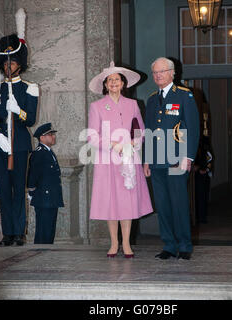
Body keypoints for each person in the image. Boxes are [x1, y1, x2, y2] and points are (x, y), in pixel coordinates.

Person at [87, 61, 153, 258]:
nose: (113, 83)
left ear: (123, 83)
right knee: (111, 202)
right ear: (105, 85)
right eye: (110, 80)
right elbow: (92, 136)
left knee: (126, 202)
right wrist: (112, 144)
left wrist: (134, 143)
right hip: (107, 160)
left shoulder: (133, 104)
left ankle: (126, 243)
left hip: (128, 160)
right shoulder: (97, 106)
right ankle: (114, 243)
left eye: (117, 79)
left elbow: (141, 131)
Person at [0, 9, 39, 247]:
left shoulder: (30, 88)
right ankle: (7, 232)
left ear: (20, 64)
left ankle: (19, 231)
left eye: (13, 61)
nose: (8, 66)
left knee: (19, 190)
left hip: (19, 146)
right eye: (5, 62)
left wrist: (18, 110)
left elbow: (30, 120)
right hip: (0, 147)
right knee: (4, 190)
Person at [143, 57, 200, 260]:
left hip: (177, 159)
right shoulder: (151, 100)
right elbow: (149, 131)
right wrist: (147, 160)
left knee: (179, 203)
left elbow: (193, 129)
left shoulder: (184, 96)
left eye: (162, 71)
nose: (158, 75)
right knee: (163, 204)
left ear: (172, 73)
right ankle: (168, 244)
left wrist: (189, 157)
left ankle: (184, 245)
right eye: (155, 72)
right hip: (157, 161)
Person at [27, 123, 64, 244]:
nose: (53, 137)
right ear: (42, 138)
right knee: (43, 230)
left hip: (51, 198)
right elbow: (33, 175)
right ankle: (40, 254)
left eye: (53, 134)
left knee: (49, 230)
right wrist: (31, 192)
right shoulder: (39, 153)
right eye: (50, 134)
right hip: (44, 198)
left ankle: (47, 254)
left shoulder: (48, 152)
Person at [194, 135, 213, 224]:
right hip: (193, 174)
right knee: (196, 196)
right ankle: (196, 216)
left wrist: (205, 169)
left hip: (202, 174)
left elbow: (210, 158)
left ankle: (201, 217)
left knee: (202, 196)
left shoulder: (204, 142)